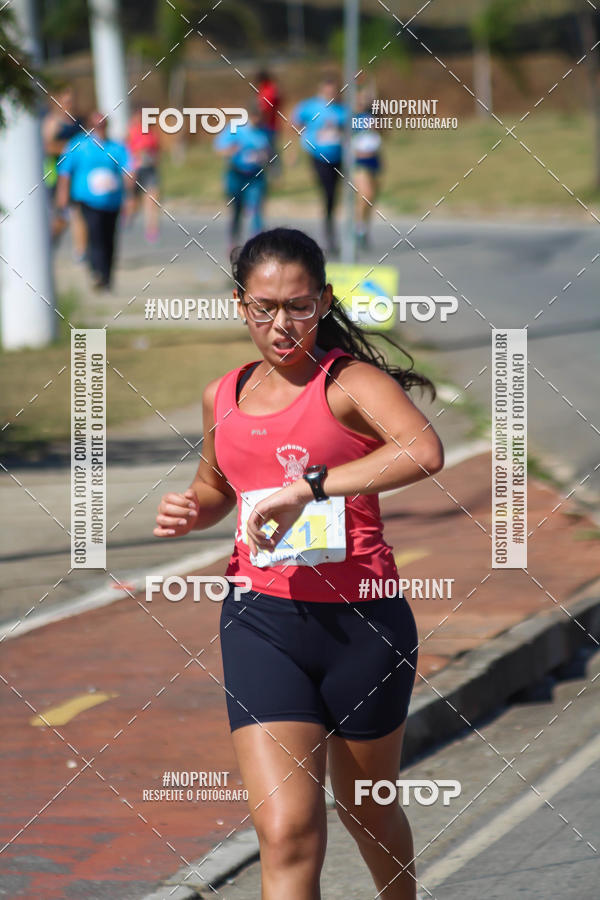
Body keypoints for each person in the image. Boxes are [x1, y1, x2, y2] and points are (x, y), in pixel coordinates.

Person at [154, 227, 444, 899]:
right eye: (264, 308)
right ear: (239, 306)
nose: (281, 324)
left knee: (366, 810)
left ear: (324, 301)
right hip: (262, 623)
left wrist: (310, 485)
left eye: (298, 306)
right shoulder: (222, 395)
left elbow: (423, 451)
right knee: (286, 831)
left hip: (362, 628)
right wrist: (192, 511)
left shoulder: (350, 383)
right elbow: (217, 487)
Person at [55, 112, 135, 290]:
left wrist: (130, 196)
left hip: (112, 201)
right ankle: (96, 272)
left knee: (109, 238)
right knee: (95, 234)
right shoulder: (78, 145)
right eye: (97, 126)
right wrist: (62, 196)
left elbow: (128, 171)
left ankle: (107, 276)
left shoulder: (116, 147)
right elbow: (65, 171)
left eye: (103, 125)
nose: (100, 129)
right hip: (87, 200)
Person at [292, 76, 348, 254]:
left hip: (338, 156)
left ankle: (332, 231)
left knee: (334, 196)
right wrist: (302, 140)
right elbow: (295, 122)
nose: (331, 94)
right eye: (328, 91)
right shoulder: (310, 107)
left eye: (334, 91)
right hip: (318, 155)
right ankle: (328, 234)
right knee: (328, 192)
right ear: (321, 89)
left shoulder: (343, 109)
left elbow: (351, 128)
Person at [214, 105, 271, 251]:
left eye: (259, 118)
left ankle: (257, 244)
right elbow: (219, 149)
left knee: (256, 207)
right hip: (236, 174)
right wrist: (231, 150)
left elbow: (270, 151)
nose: (256, 121)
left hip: (256, 175)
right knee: (237, 208)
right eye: (254, 117)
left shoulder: (264, 131)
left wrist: (265, 156)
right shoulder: (235, 128)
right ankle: (233, 240)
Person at [42, 85, 87, 253]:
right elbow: (46, 147)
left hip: (77, 174)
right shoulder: (53, 122)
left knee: (78, 213)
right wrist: (69, 149)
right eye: (66, 101)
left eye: (72, 101)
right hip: (57, 174)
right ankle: (49, 243)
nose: (70, 104)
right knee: (62, 217)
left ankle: (81, 252)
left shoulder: (80, 121)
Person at [352, 86, 383, 249]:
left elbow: (384, 135)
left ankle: (363, 228)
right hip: (359, 161)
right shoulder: (351, 118)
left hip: (374, 160)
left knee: (371, 198)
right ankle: (358, 228)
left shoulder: (374, 116)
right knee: (366, 194)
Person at [127, 103, 161, 243]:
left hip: (150, 169)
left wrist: (154, 159)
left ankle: (151, 230)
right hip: (135, 170)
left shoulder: (152, 132)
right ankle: (127, 217)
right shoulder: (131, 131)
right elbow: (126, 151)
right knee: (134, 203)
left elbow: (157, 150)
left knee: (152, 200)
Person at [255, 69, 282, 175]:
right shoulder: (271, 89)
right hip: (270, 124)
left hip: (269, 126)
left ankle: (274, 174)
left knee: (269, 151)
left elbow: (265, 108)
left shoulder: (268, 90)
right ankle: (271, 173)